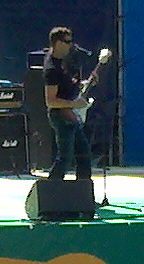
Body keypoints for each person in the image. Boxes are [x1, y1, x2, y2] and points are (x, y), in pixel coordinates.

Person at [43, 26, 92, 181]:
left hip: (71, 114)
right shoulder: (51, 67)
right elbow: (50, 101)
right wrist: (74, 104)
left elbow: (69, 85)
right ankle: (51, 189)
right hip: (61, 116)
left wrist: (86, 84)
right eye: (67, 42)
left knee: (83, 154)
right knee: (65, 157)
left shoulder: (65, 61)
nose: (71, 45)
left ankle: (83, 191)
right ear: (57, 43)